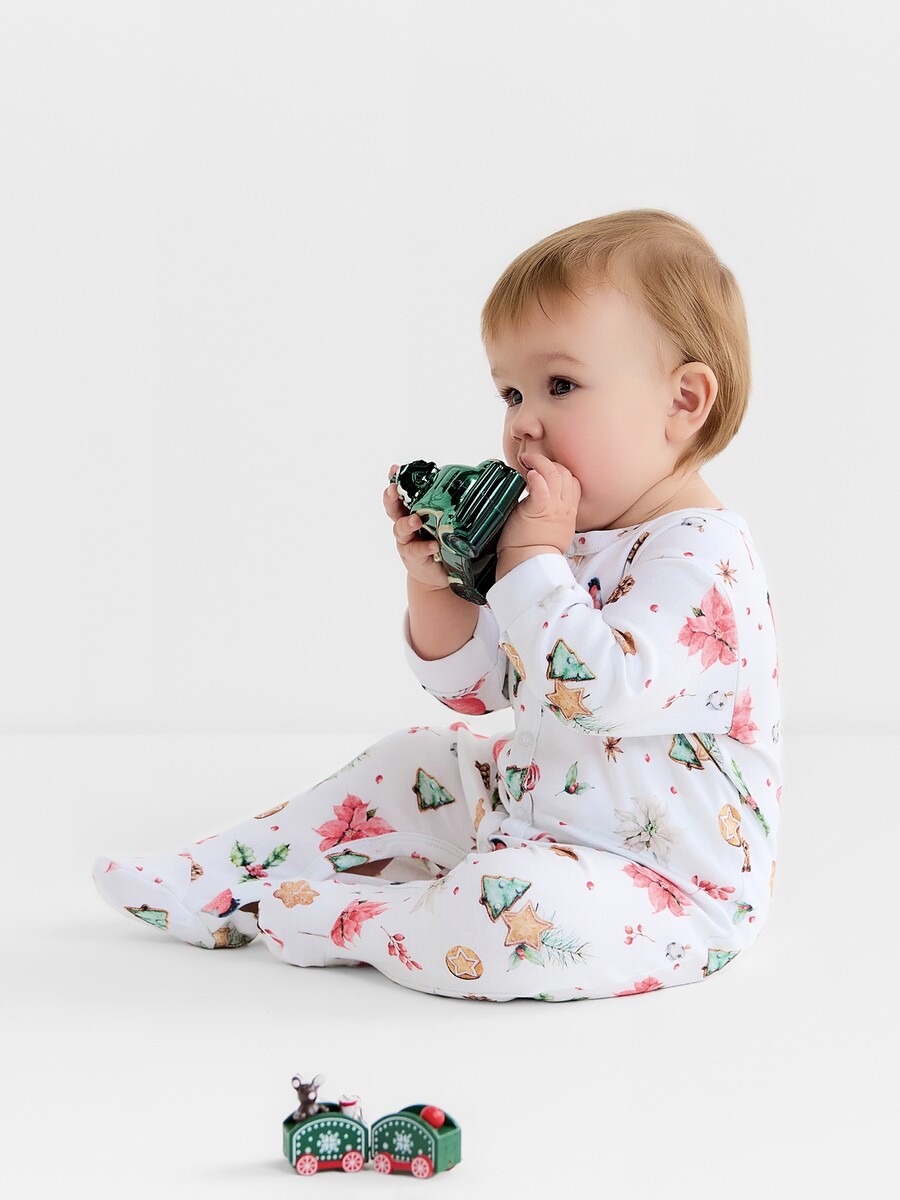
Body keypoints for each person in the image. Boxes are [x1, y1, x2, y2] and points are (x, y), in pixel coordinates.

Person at [93, 209, 781, 1001]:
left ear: (683, 401)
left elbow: (594, 692)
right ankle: (213, 877)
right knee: (413, 758)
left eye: (560, 386)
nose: (523, 423)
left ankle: (341, 914)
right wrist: (438, 584)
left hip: (660, 888)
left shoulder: (701, 557)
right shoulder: (561, 540)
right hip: (533, 811)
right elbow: (477, 691)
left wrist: (529, 559)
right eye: (511, 392)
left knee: (505, 916)